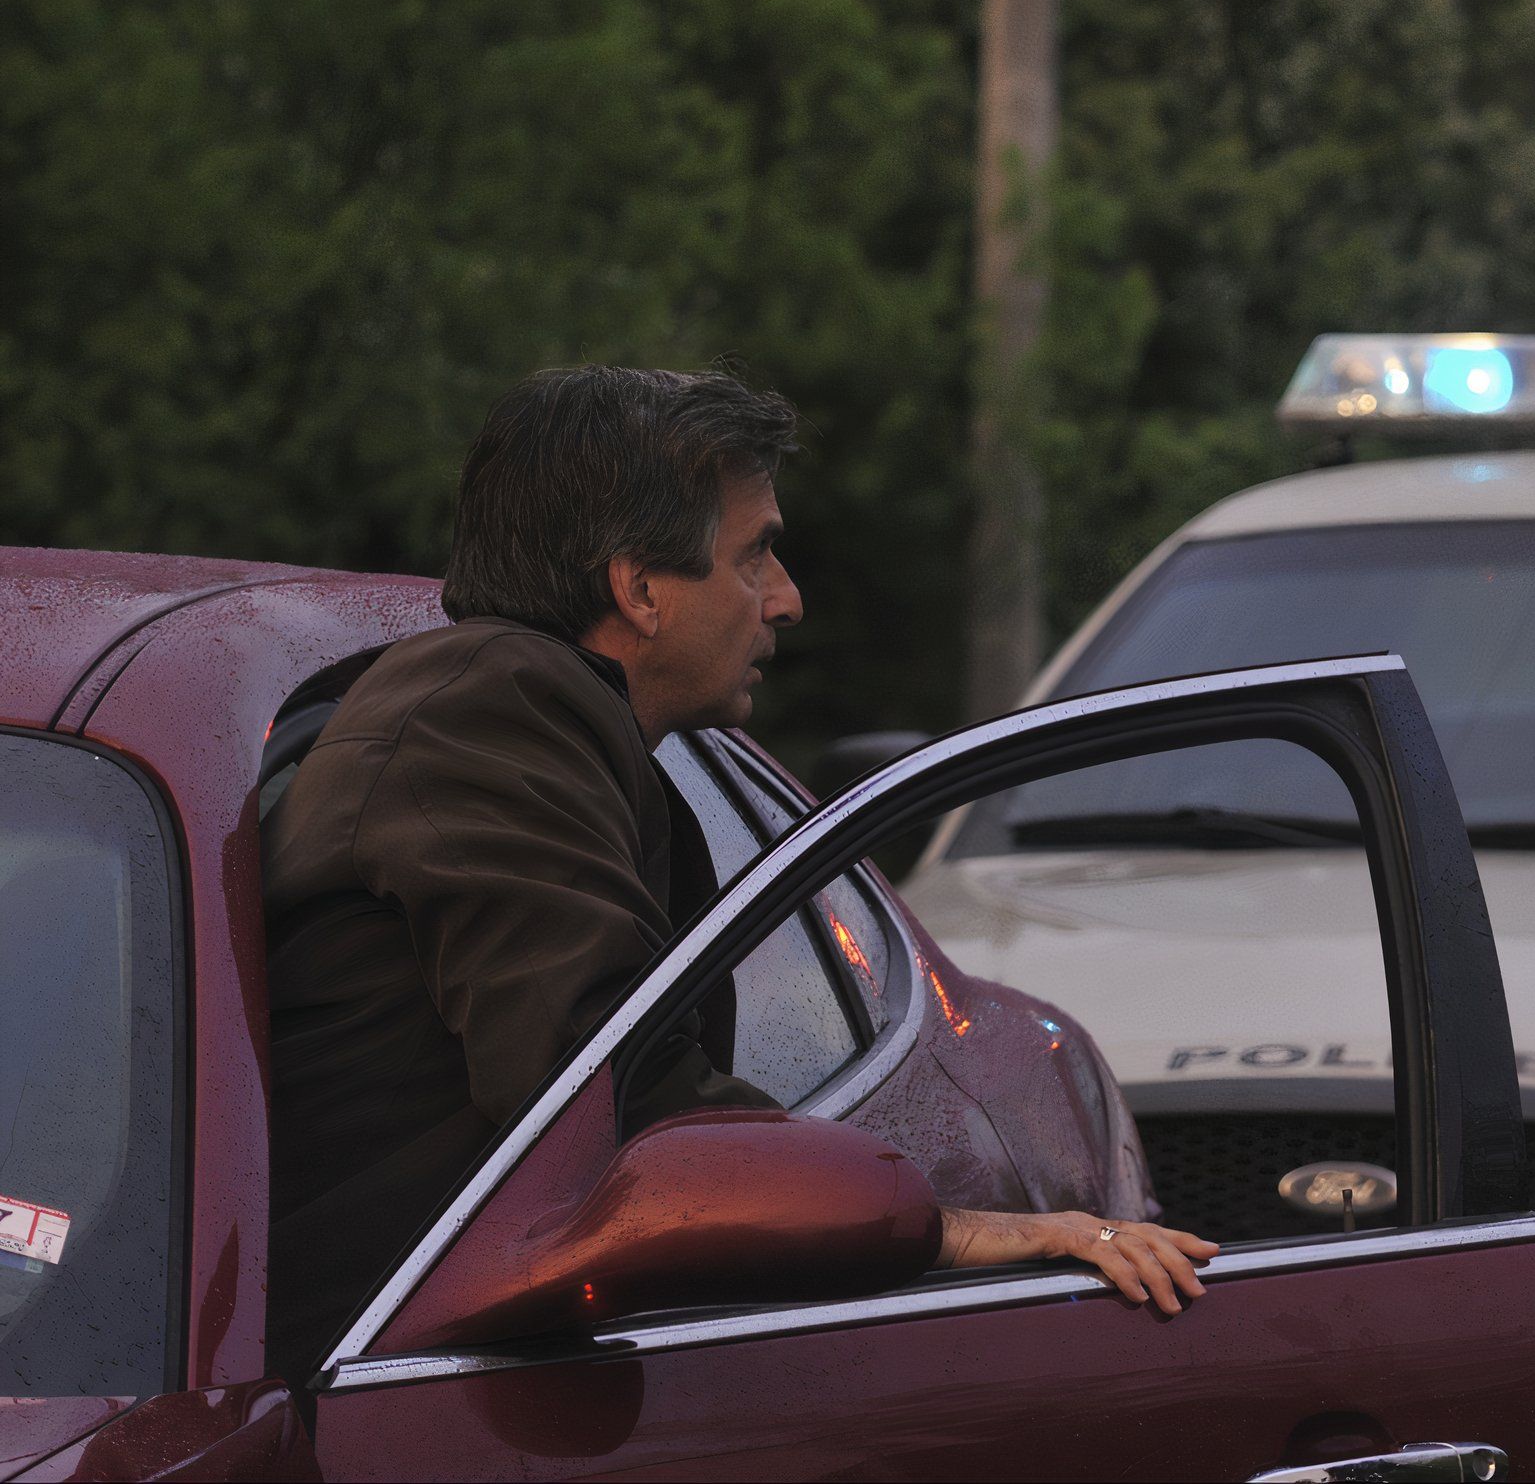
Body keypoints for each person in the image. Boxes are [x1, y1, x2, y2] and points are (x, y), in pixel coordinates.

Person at [263, 366, 1213, 1371]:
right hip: (337, 1399)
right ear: (637, 588)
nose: (788, 601)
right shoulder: (492, 706)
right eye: (755, 554)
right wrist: (958, 1232)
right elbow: (603, 1089)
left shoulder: (524, 710)